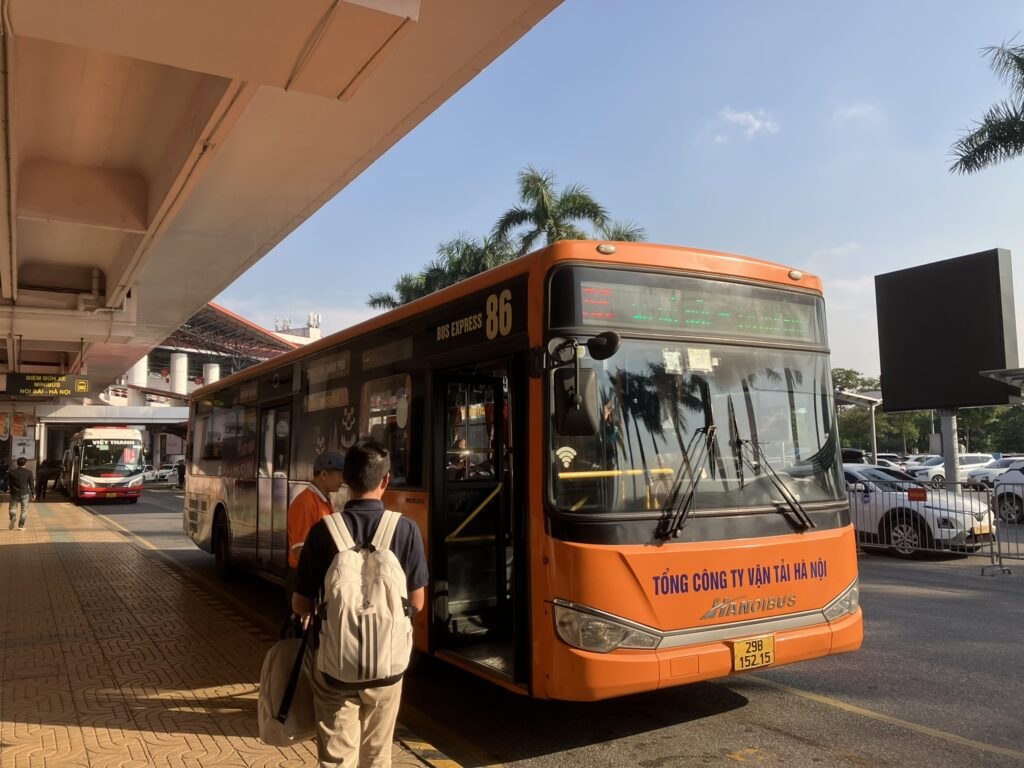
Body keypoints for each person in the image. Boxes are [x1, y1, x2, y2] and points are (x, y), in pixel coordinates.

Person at [292, 439, 428, 768]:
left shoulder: (324, 531)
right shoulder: (406, 530)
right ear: (385, 480)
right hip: (388, 667)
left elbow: (300, 604)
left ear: (346, 481)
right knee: (377, 755)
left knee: (337, 758)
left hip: (335, 667)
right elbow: (418, 603)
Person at [286, 451, 345, 610]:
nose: (342, 480)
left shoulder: (322, 500)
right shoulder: (305, 504)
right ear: (324, 474)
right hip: (305, 581)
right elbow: (300, 551)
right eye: (339, 475)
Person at [8, 457, 34, 530]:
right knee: (24, 510)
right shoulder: (29, 472)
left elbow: (10, 483)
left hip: (14, 493)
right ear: (25, 463)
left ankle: (13, 517)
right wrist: (33, 492)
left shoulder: (12, 472)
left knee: (12, 508)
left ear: (17, 463)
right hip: (24, 493)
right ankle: (21, 526)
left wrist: (10, 490)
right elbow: (31, 483)